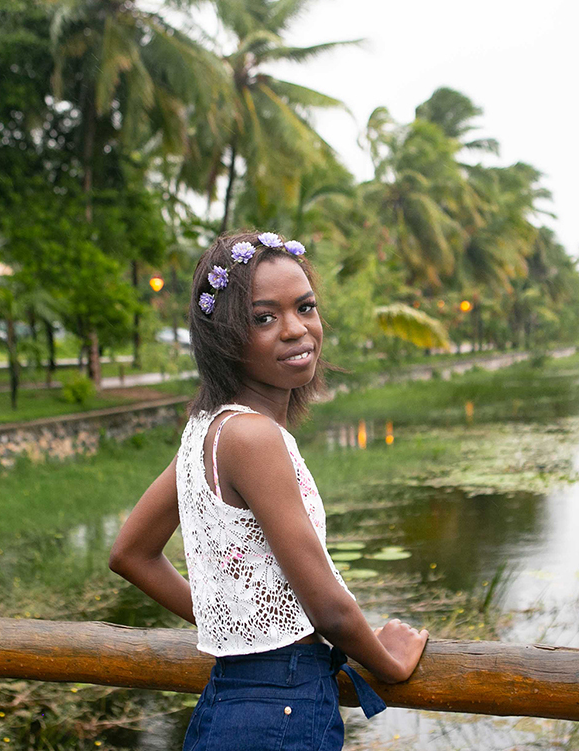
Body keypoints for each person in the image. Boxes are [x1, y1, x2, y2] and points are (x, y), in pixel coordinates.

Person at [109, 229, 429, 751]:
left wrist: (240, 625)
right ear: (223, 337)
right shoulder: (253, 438)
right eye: (263, 318)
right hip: (282, 711)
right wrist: (390, 662)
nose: (296, 329)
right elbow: (328, 608)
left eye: (305, 307)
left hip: (231, 700)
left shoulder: (208, 429)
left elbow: (130, 553)